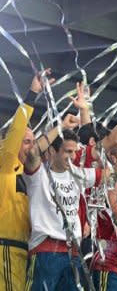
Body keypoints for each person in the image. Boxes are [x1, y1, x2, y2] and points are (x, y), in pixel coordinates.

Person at [24, 124, 110, 291]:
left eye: (74, 152)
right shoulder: (37, 174)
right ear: (52, 151)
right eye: (67, 151)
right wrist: (61, 125)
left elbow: (113, 175)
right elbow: (33, 152)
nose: (72, 156)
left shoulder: (78, 174)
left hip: (73, 253)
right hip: (46, 250)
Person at [0, 71, 50, 291]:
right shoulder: (6, 166)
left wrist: (62, 127)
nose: (32, 146)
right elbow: (15, 131)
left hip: (23, 252)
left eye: (33, 141)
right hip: (6, 249)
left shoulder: (28, 173)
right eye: (26, 141)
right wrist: (32, 95)